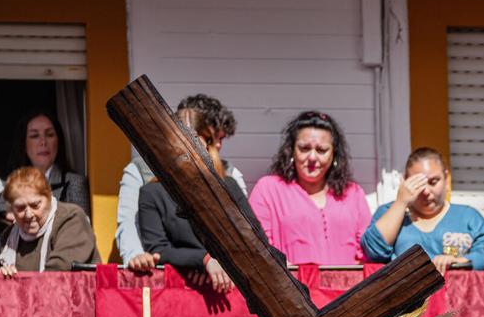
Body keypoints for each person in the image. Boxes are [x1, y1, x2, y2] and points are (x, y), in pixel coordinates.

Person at [115, 94, 245, 272]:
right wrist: (135, 257)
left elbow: (244, 235)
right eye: (212, 137)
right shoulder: (140, 171)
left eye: (219, 139)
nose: (217, 145)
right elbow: (128, 224)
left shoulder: (230, 176)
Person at [136, 107, 257, 292]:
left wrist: (223, 264)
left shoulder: (229, 186)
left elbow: (254, 237)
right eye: (179, 145)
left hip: (233, 292)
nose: (188, 153)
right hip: (182, 292)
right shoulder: (151, 193)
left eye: (195, 144)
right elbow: (158, 249)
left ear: (208, 146)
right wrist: (203, 260)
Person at [248, 110, 371, 265]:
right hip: (289, 288)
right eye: (304, 148)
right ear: (291, 151)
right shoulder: (268, 189)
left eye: (321, 150)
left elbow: (367, 251)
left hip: (349, 287)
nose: (312, 157)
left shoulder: (353, 193)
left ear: (334, 155)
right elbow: (257, 247)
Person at [360, 147, 484, 270]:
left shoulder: (468, 217)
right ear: (404, 181)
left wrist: (459, 262)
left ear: (446, 179)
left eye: (433, 182)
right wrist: (401, 202)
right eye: (418, 184)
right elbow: (373, 252)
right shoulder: (388, 212)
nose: (426, 191)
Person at [0, 166, 99, 275]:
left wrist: (19, 282)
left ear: (49, 198)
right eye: (20, 208)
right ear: (11, 209)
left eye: (35, 205)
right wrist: (5, 277)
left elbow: (58, 271)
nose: (28, 214)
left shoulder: (72, 219)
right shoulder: (8, 238)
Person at [8, 110, 91, 217]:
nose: (43, 142)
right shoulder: (12, 186)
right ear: (23, 144)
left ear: (58, 141)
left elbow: (81, 231)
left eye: (49, 134)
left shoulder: (75, 183)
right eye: (34, 136)